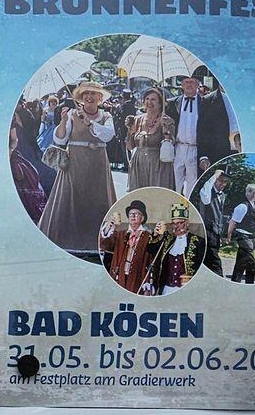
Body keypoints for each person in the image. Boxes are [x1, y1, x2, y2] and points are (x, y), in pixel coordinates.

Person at [36, 81, 116, 252]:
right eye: (86, 93)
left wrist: (89, 122)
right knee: (72, 195)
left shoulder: (106, 116)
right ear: (81, 97)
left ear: (100, 97)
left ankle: (98, 239)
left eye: (93, 93)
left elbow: (108, 135)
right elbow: (60, 139)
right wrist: (63, 121)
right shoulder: (72, 114)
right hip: (76, 162)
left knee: (98, 197)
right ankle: (68, 238)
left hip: (97, 162)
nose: (89, 96)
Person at [172, 70, 243, 197]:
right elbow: (205, 130)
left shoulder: (245, 98)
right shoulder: (208, 100)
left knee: (196, 185)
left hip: (237, 151)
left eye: (192, 82)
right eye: (186, 82)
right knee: (176, 184)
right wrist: (204, 155)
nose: (189, 85)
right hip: (201, 150)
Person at [99, 198, 155, 292]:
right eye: (130, 214)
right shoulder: (120, 234)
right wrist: (109, 226)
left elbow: (151, 261)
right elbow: (104, 245)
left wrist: (147, 282)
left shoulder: (148, 237)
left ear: (142, 218)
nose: (133, 216)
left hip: (137, 279)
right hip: (119, 277)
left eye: (136, 214)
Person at [127, 86, 177, 190]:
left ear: (160, 103)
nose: (149, 102)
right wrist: (129, 129)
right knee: (139, 195)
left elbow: (171, 144)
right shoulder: (137, 119)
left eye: (153, 99)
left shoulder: (167, 121)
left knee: (156, 194)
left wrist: (166, 132)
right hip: (139, 163)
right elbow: (130, 146)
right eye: (147, 99)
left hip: (159, 165)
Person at [145, 206, 192, 294]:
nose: (176, 226)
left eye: (179, 223)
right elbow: (151, 251)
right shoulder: (168, 240)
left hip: (185, 291)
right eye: (173, 223)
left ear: (187, 223)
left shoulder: (197, 242)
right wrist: (155, 235)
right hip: (166, 289)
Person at [226, 182, 255, 283]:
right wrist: (228, 236)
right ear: (250, 193)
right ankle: (250, 284)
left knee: (241, 262)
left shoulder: (253, 205)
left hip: (248, 236)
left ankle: (235, 281)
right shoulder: (242, 206)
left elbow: (249, 220)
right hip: (243, 236)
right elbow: (233, 222)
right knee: (252, 263)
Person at [194, 170, 229, 276]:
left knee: (207, 262)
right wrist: (215, 175)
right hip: (206, 233)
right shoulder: (207, 192)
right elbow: (205, 194)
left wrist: (220, 235)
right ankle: (220, 282)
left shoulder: (222, 195)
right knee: (215, 263)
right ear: (215, 180)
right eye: (220, 180)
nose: (223, 184)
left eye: (225, 182)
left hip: (215, 234)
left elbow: (219, 216)